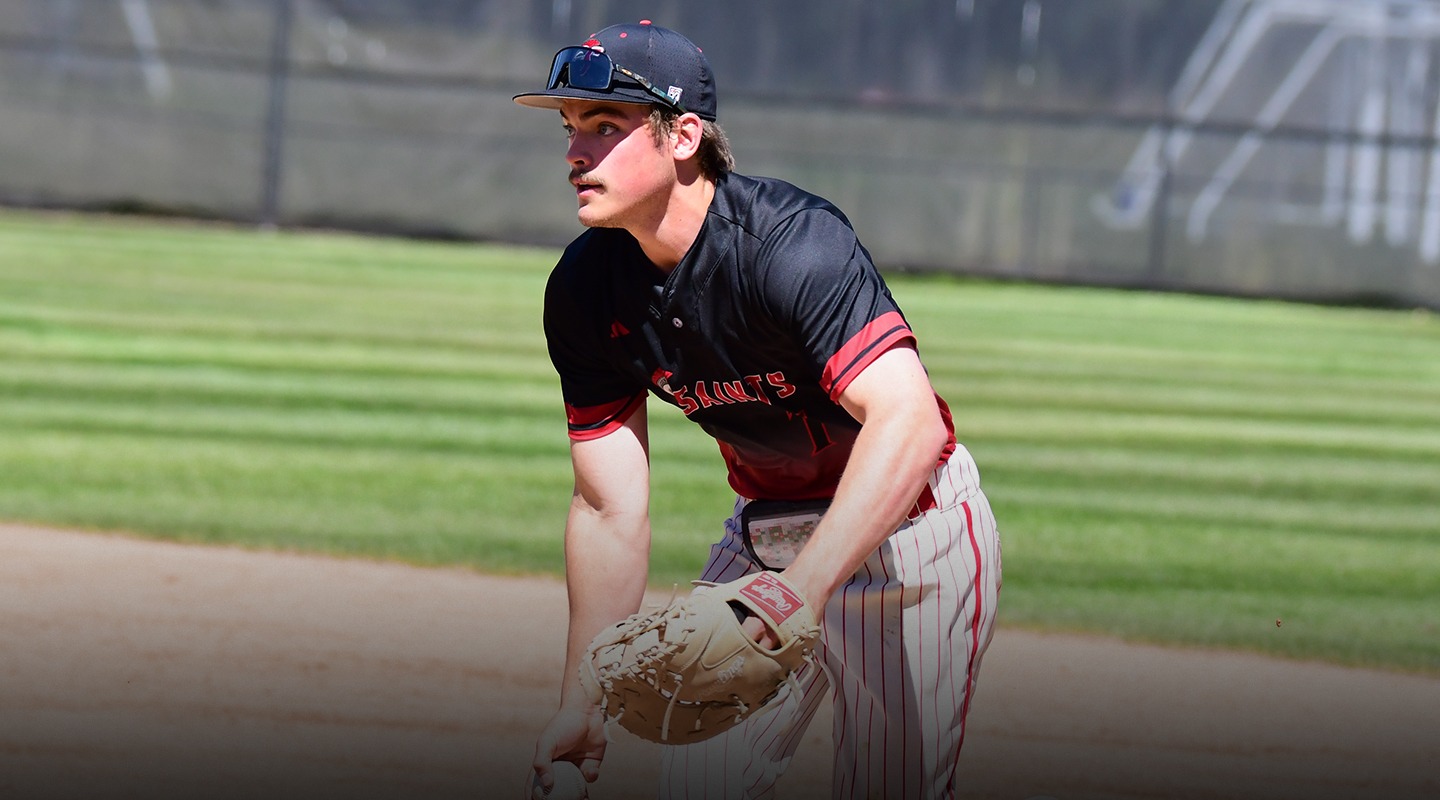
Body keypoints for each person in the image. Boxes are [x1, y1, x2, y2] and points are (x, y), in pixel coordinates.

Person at [514, 20, 1002, 800]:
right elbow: (609, 508)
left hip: (912, 538)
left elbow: (907, 424)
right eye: (572, 129)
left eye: (605, 127)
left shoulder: (789, 243)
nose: (575, 153)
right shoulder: (584, 289)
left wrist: (791, 601)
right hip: (768, 536)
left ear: (685, 137)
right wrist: (584, 698)